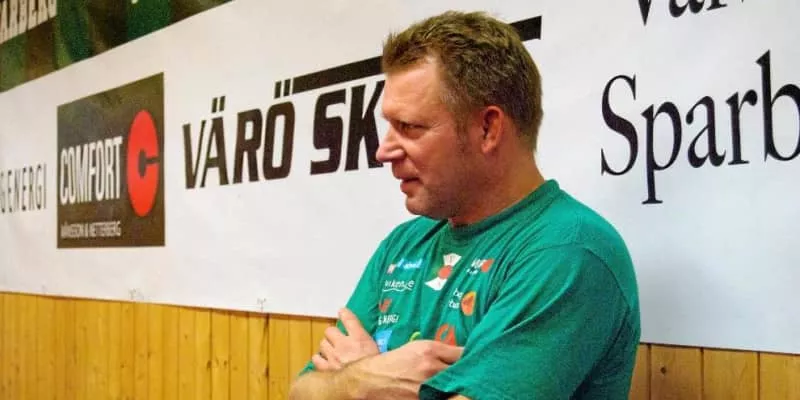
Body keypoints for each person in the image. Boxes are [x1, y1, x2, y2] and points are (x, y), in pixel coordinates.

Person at [289, 10, 640, 400]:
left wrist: (354, 380)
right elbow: (301, 391)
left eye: (409, 127)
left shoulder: (568, 249)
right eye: (388, 126)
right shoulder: (404, 243)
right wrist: (358, 382)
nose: (383, 150)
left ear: (487, 129)